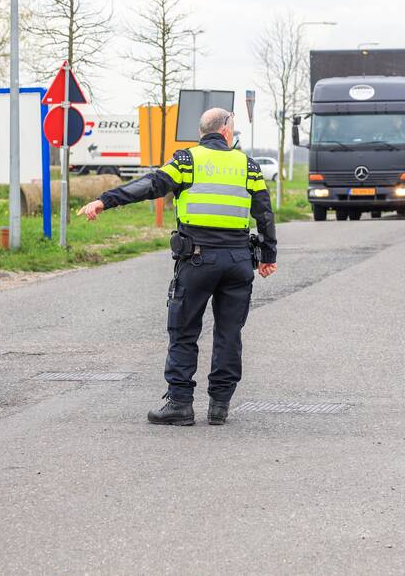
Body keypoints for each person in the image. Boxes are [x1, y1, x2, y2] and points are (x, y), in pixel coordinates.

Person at [77, 108, 277, 426]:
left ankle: (180, 404)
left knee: (183, 332)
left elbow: (149, 185)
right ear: (226, 131)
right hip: (238, 262)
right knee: (229, 333)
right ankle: (219, 406)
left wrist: (105, 200)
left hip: (197, 260)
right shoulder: (248, 165)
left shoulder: (187, 161)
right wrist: (268, 255)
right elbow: (264, 213)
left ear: (202, 133)